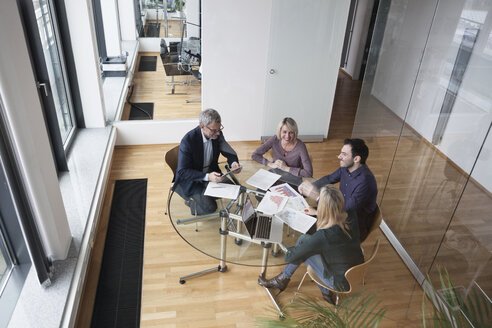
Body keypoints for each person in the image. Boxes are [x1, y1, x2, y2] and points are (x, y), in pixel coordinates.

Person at [258, 185, 364, 304]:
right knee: (307, 243)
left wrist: (297, 248)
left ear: (323, 207)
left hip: (339, 282)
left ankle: (284, 279)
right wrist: (317, 213)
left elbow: (290, 257)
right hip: (357, 272)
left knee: (304, 242)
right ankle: (323, 292)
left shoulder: (324, 236)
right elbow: (335, 215)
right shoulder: (351, 214)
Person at [298, 138, 377, 242]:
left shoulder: (365, 182)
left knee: (309, 232)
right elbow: (329, 179)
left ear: (356, 159)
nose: (339, 157)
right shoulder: (346, 168)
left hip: (349, 227)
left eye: (344, 154)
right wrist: (306, 189)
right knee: (304, 215)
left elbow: (345, 211)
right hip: (337, 212)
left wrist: (317, 198)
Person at [172, 109, 241, 215]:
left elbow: (228, 151)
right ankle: (191, 201)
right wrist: (208, 177)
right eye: (214, 130)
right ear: (202, 126)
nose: (218, 133)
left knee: (234, 191)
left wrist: (234, 163)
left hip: (211, 173)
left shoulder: (217, 135)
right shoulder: (188, 141)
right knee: (210, 208)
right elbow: (183, 171)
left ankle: (205, 195)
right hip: (192, 180)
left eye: (219, 129)